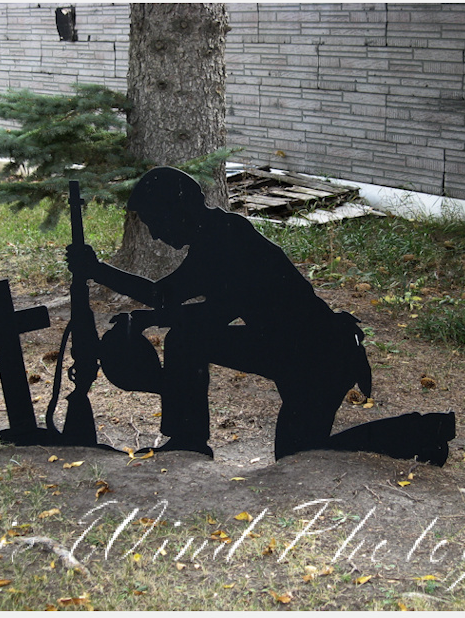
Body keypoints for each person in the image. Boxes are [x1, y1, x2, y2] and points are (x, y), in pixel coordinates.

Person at [68, 166, 371, 460]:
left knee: (299, 459)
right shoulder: (218, 232)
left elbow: (172, 300)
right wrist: (149, 316)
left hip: (318, 357)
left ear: (178, 210)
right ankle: (187, 439)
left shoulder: (224, 239)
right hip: (290, 347)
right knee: (186, 339)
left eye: (155, 222)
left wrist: (97, 271)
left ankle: (189, 439)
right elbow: (211, 308)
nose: (156, 235)